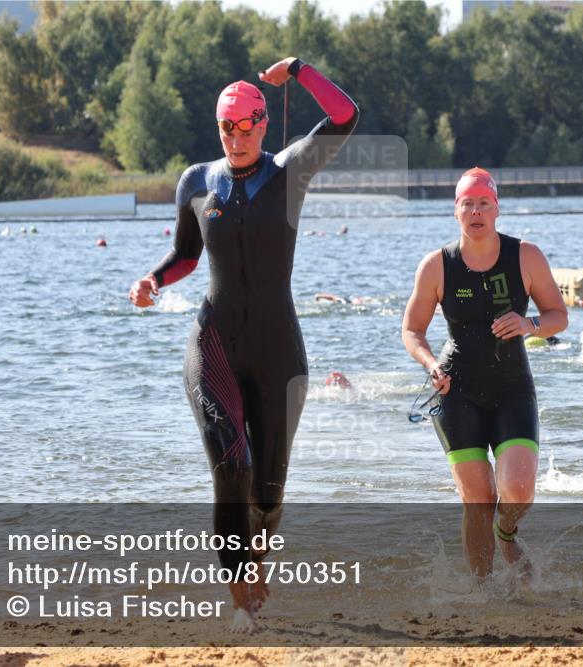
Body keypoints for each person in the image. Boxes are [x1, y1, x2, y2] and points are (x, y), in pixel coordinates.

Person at [128, 57, 358, 633]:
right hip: (215, 346)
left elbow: (345, 115)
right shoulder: (196, 182)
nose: (236, 136)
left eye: (246, 125)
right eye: (226, 127)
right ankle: (238, 598)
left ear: (262, 123)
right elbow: (186, 255)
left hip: (280, 351)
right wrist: (153, 279)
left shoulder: (288, 172)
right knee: (232, 465)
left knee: (269, 493)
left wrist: (300, 72)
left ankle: (255, 556)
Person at [402, 168, 568, 579]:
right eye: (467, 204)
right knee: (477, 498)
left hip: (512, 386)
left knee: (519, 489)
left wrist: (529, 325)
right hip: (456, 389)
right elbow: (412, 331)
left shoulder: (525, 256)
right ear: (455, 212)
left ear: (496, 211)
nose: (476, 211)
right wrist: (430, 364)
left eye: (484, 204)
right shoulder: (436, 265)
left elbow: (558, 317)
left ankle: (506, 532)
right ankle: (483, 592)